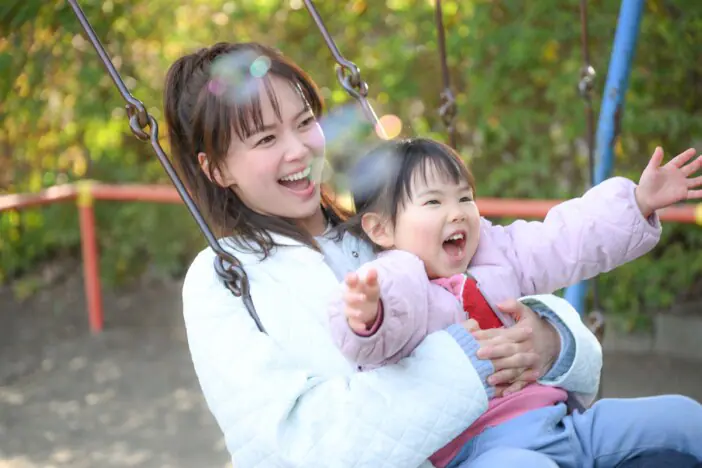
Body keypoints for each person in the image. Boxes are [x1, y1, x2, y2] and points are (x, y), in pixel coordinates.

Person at [162, 41, 700, 467]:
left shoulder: (395, 224)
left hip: (543, 422)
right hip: (485, 451)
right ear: (217, 169)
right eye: (264, 139)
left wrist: (550, 340)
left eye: (304, 123)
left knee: (679, 427)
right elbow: (296, 442)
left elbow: (528, 263)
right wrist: (475, 357)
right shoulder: (223, 279)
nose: (298, 149)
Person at [326, 137, 702, 467]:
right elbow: (387, 325)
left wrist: (637, 202)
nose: (457, 212)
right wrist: (368, 315)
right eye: (433, 202)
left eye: (464, 198)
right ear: (381, 229)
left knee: (681, 418)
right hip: (484, 448)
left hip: (564, 423)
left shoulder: (497, 252)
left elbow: (564, 239)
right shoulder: (398, 279)